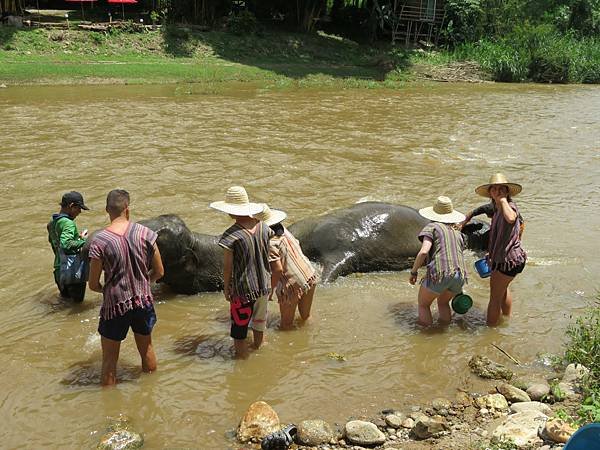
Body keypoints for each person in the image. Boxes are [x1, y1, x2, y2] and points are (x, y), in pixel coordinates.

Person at [88, 189, 164, 386]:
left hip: (115, 306)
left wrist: (105, 289)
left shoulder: (100, 240)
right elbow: (160, 272)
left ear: (107, 210)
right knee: (146, 349)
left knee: (109, 361)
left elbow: (93, 283)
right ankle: (149, 394)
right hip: (143, 301)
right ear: (127, 209)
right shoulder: (146, 233)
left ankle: (110, 410)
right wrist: (144, 283)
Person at [210, 186, 272, 359]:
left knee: (239, 331)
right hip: (264, 286)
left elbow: (228, 266)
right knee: (259, 324)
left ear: (230, 211)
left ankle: (242, 362)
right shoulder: (264, 228)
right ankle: (259, 352)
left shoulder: (231, 235)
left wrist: (227, 287)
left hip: (243, 290)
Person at [472, 173, 526, 326]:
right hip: (511, 259)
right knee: (503, 291)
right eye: (494, 188)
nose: (497, 191)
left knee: (494, 299)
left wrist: (502, 200)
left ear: (507, 192)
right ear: (490, 193)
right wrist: (491, 253)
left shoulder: (509, 206)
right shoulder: (495, 209)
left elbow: (510, 218)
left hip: (507, 261)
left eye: (501, 188)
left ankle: (490, 332)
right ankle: (506, 320)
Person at [253, 205, 317, 330]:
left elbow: (277, 269)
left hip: (291, 285)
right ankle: (311, 338)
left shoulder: (271, 243)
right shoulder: (283, 231)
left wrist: (270, 290)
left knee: (286, 326)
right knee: (306, 316)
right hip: (308, 274)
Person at [409, 196, 468, 327]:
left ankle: (427, 337)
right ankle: (443, 332)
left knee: (424, 305)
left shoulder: (432, 227)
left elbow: (424, 252)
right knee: (443, 303)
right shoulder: (458, 233)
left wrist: (413, 272)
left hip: (441, 273)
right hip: (459, 275)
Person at [47, 191, 90, 302]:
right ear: (71, 206)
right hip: (72, 271)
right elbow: (66, 244)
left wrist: (78, 238)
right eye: (78, 208)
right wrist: (86, 242)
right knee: (78, 308)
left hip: (58, 270)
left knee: (65, 304)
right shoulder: (68, 223)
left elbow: (56, 245)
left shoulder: (52, 222)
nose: (80, 211)